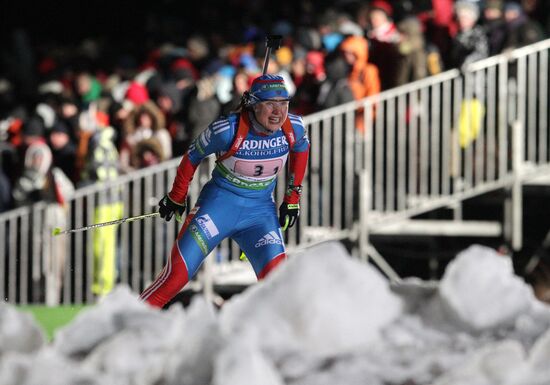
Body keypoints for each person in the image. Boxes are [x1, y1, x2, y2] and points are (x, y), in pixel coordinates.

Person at [140, 74, 310, 308]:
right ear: (253, 104)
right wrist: (176, 196)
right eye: (270, 103)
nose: (277, 112)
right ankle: (123, 327)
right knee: (176, 278)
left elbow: (301, 149)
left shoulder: (294, 127)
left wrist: (292, 199)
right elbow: (192, 156)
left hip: (259, 216)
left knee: (279, 283)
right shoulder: (228, 129)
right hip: (217, 209)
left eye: (283, 104)